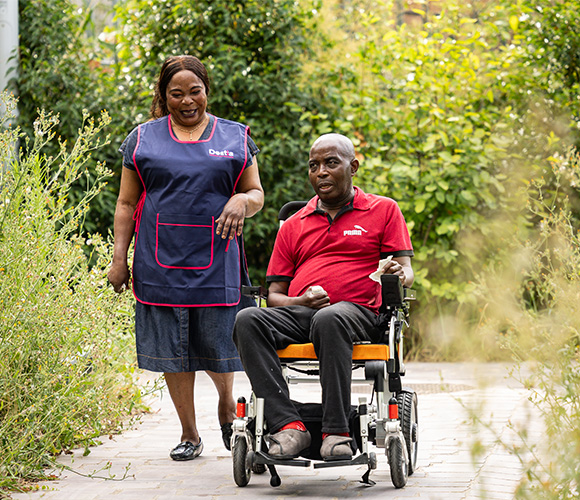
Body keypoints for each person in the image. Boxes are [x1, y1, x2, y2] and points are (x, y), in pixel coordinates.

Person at [107, 55, 264, 461]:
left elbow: (257, 193)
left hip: (217, 257)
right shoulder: (142, 140)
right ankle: (189, 433)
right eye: (176, 93)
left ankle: (228, 405)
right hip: (159, 260)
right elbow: (126, 203)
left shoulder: (235, 138)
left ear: (206, 91)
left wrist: (241, 201)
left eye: (195, 91)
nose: (187, 100)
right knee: (175, 349)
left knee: (217, 340)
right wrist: (118, 259)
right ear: (164, 96)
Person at [233, 133, 413, 461]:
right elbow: (274, 296)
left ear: (353, 167)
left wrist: (399, 273)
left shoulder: (383, 210)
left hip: (358, 313)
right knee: (247, 319)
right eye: (314, 166)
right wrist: (301, 301)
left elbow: (406, 270)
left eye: (331, 163)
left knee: (330, 317)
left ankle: (337, 432)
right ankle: (288, 427)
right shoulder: (294, 224)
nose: (321, 172)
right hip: (303, 313)